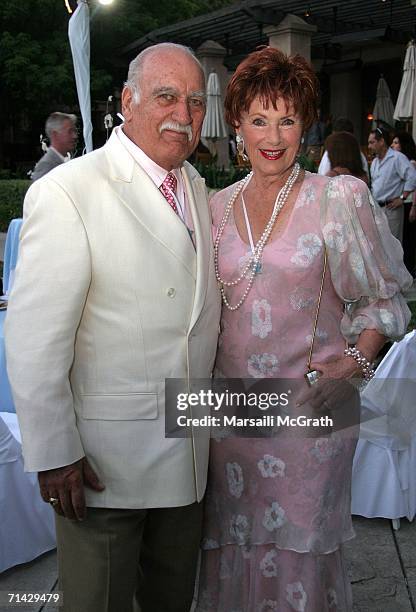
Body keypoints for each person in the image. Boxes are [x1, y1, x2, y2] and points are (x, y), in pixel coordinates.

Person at [5, 42, 221, 612]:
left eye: (196, 101)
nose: (184, 113)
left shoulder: (197, 187)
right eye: (166, 96)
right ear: (128, 101)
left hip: (188, 456)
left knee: (172, 602)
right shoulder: (68, 191)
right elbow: (34, 340)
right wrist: (54, 452)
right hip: (103, 468)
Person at [195, 47, 412, 611]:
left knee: (301, 554)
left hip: (314, 410)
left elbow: (383, 298)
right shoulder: (213, 207)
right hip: (228, 414)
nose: (273, 135)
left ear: (306, 123)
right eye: (259, 119)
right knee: (231, 543)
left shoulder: (337, 198)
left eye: (287, 119)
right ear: (237, 122)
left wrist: (356, 367)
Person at [368, 126, 416, 243]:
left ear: (382, 141)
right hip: (377, 209)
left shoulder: (397, 158)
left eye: (372, 142)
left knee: (393, 246)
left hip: (392, 210)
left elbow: (412, 177)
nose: (369, 146)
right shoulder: (374, 162)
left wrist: (402, 198)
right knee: (380, 246)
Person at [391, 130, 416, 275]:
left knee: (407, 238)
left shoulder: (410, 162)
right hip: (404, 202)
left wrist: (413, 206)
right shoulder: (399, 160)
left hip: (408, 203)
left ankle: (409, 269)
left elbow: (414, 183)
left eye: (396, 142)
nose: (393, 145)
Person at [31, 112, 78, 181]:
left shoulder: (60, 161)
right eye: (70, 131)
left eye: (74, 131)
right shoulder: (46, 165)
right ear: (55, 135)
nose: (75, 136)